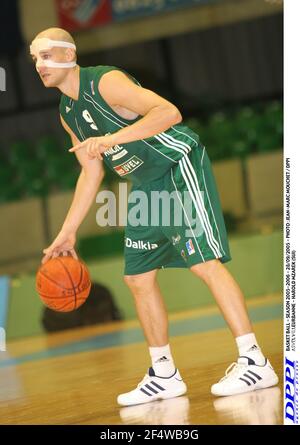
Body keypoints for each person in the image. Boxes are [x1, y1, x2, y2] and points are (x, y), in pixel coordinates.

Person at [30, 27, 278, 406]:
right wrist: (68, 232)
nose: (39, 64)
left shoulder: (106, 82)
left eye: (46, 55)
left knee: (204, 264)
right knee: (137, 277)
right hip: (146, 185)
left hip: (178, 165)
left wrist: (114, 139)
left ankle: (254, 360)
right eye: (34, 58)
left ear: (68, 56)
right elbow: (91, 172)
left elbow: (169, 112)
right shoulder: (67, 113)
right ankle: (163, 373)